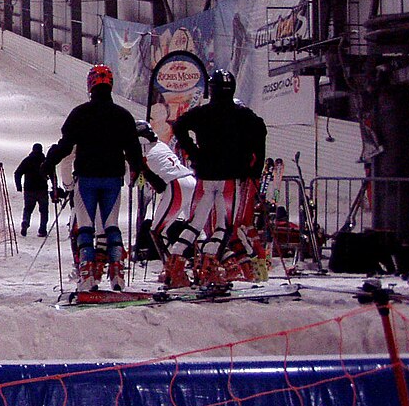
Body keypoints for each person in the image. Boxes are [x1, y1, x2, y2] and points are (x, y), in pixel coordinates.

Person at [42, 65, 158, 293]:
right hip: (113, 178)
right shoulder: (123, 116)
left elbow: (65, 145)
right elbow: (134, 153)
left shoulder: (80, 113)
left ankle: (88, 275)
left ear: (90, 86)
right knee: (111, 225)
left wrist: (48, 163)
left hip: (87, 177)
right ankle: (117, 274)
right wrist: (147, 176)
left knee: (85, 227)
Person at [170, 69, 268, 286]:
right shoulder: (242, 115)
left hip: (205, 176)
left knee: (195, 223)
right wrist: (254, 168)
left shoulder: (203, 113)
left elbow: (178, 126)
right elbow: (260, 130)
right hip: (230, 179)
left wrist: (194, 152)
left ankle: (175, 265)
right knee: (223, 227)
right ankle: (209, 265)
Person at [134, 122, 197, 288]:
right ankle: (203, 267)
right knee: (196, 229)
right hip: (190, 180)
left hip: (176, 185)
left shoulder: (144, 152)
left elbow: (146, 182)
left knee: (156, 231)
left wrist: (140, 172)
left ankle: (173, 270)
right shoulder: (161, 145)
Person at [14, 143, 53, 237]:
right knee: (44, 211)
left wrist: (19, 186)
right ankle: (42, 230)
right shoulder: (45, 161)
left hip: (29, 190)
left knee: (28, 209)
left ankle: (25, 222)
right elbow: (52, 175)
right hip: (42, 189)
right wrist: (54, 187)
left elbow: (17, 173)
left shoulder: (27, 161)